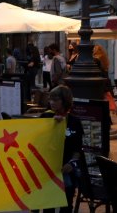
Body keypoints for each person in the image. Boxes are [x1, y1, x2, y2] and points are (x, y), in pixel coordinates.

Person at [40, 85, 84, 213]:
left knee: (67, 206)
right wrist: (51, 125)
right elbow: (38, 143)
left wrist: (72, 163)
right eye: (50, 99)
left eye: (55, 99)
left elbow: (78, 149)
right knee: (48, 207)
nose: (52, 102)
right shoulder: (45, 117)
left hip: (66, 169)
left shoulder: (74, 121)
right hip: (49, 169)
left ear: (65, 101)